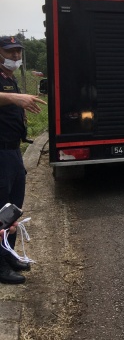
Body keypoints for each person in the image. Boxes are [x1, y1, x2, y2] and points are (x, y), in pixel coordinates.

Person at [0, 35, 46, 284]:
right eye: (10, 52)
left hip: (13, 151)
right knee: (0, 211)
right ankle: (0, 266)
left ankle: (9, 255)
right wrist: (15, 99)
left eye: (18, 51)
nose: (15, 56)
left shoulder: (11, 79)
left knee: (12, 209)